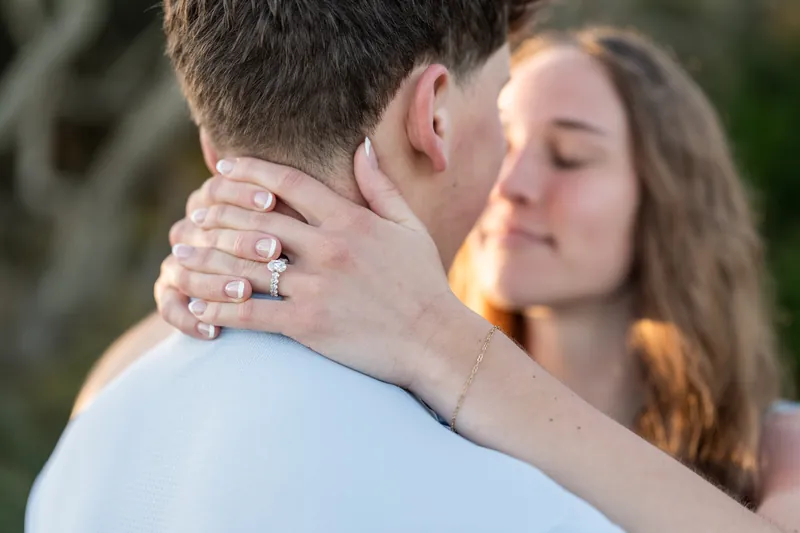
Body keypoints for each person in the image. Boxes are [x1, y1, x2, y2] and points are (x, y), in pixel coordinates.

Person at [144, 28, 800, 532]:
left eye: (569, 157)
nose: (511, 186)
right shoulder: (400, 401)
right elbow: (107, 395)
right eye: (504, 146)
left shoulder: (779, 446)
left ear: (672, 198)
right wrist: (218, 267)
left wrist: (435, 333)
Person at [27, 2, 626, 532]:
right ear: (434, 117)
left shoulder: (84, 451)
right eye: (498, 102)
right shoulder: (514, 504)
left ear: (214, 150)